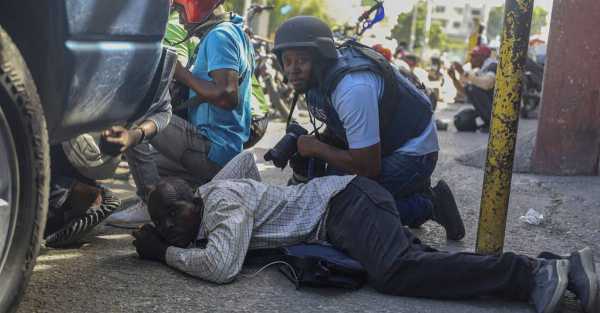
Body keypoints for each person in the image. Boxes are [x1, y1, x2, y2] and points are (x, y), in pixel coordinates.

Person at [132, 152, 600, 313]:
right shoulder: (215, 190)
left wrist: (164, 254)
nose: (172, 225)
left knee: (397, 272)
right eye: (164, 223)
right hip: (346, 209)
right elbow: (244, 164)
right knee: (418, 265)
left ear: (195, 197)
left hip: (346, 205)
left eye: (176, 212)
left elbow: (220, 267)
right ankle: (559, 268)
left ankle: (532, 275)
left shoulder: (221, 202)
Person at [270, 16, 465, 240]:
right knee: (326, 192)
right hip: (384, 143)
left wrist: (316, 148)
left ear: (321, 58)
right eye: (287, 61)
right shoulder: (319, 78)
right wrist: (321, 143)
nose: (293, 69)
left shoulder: (352, 88)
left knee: (343, 213)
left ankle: (430, 203)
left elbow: (367, 167)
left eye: (302, 60)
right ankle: (407, 193)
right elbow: (340, 126)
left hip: (414, 151)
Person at [106, 0, 255, 225]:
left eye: (180, 9)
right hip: (220, 152)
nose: (180, 17)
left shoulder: (219, 36)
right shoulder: (230, 32)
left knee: (133, 115)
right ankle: (163, 201)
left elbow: (226, 96)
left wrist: (180, 72)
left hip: (211, 149)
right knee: (149, 166)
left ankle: (149, 204)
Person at [448, 45, 497, 131]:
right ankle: (485, 122)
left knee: (472, 88)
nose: (471, 60)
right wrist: (454, 78)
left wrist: (463, 72)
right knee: (462, 121)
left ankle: (491, 123)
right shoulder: (481, 71)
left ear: (482, 57)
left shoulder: (493, 66)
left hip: (496, 108)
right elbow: (464, 92)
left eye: (474, 56)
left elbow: (487, 84)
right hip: (491, 106)